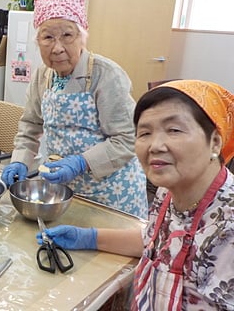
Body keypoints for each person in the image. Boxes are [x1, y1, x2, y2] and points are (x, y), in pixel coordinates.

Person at [38, 80, 234, 309]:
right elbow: (154, 242)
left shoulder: (228, 226)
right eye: (145, 133)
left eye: (174, 130)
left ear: (215, 142)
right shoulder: (168, 192)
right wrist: (87, 237)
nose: (155, 145)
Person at [1, 0, 148, 218]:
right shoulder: (42, 76)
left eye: (67, 35)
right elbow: (30, 126)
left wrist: (81, 162)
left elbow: (128, 139)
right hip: (61, 191)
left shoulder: (106, 75)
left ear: (82, 38)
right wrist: (19, 161)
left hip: (110, 191)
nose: (57, 48)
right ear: (37, 42)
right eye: (48, 37)